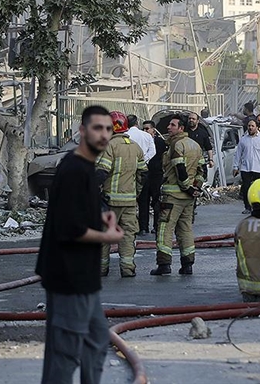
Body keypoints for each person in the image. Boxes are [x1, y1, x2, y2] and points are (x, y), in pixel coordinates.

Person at [36, 105, 124, 384]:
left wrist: (100, 216)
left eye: (108, 129)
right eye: (97, 128)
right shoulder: (74, 169)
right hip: (68, 278)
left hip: (84, 279)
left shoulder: (85, 167)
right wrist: (108, 237)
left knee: (97, 343)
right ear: (82, 131)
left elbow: (75, 211)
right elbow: (68, 229)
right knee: (65, 354)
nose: (104, 135)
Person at [151, 115, 205, 276]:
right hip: (189, 199)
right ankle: (187, 264)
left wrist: (187, 187)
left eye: (172, 125)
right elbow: (202, 171)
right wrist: (196, 188)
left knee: (164, 229)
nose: (169, 128)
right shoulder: (195, 146)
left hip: (172, 197)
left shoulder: (176, 145)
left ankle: (164, 264)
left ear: (181, 128)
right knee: (186, 229)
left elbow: (179, 169)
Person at [96, 111, 147, 278]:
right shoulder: (135, 147)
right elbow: (143, 174)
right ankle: (127, 268)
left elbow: (102, 172)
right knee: (127, 235)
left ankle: (101, 269)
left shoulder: (109, 146)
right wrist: (136, 192)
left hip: (110, 201)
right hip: (130, 201)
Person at [233, 119, 260, 214]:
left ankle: (258, 207)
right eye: (249, 126)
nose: (250, 128)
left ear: (256, 127)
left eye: (252, 126)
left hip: (258, 168)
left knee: (258, 189)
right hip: (246, 168)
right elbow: (238, 154)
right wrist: (235, 167)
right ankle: (247, 207)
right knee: (246, 188)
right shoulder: (243, 140)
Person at [139, 120, 166, 235]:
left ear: (153, 130)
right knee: (143, 202)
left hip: (156, 175)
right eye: (143, 129)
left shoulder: (160, 142)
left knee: (156, 202)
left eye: (147, 129)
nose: (145, 131)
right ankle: (143, 227)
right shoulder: (142, 142)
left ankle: (156, 226)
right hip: (144, 175)